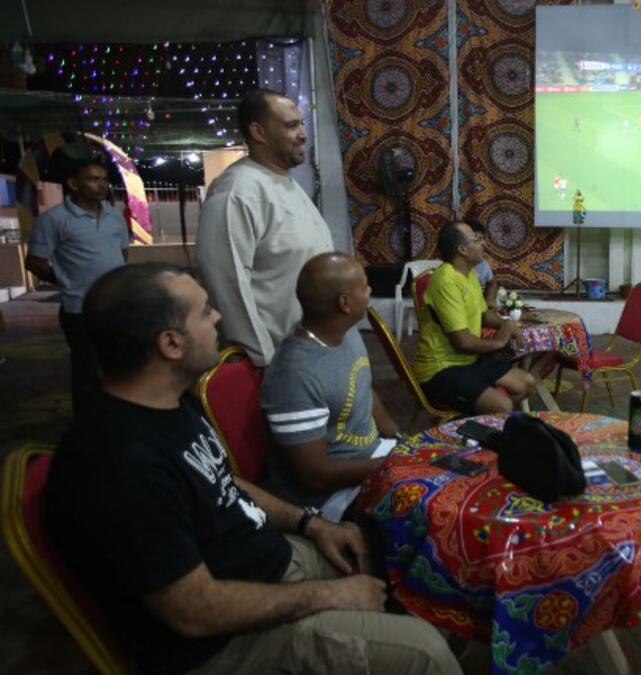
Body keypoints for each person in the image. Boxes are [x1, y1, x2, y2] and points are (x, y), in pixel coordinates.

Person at [46, 263, 461, 675]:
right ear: (171, 343)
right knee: (425, 651)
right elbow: (194, 611)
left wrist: (311, 525)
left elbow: (225, 483)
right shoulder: (119, 463)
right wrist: (327, 595)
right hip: (228, 642)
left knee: (411, 564)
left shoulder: (169, 401)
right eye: (205, 311)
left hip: (266, 561)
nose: (218, 318)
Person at [196, 89, 335, 367]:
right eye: (291, 125)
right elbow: (228, 285)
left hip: (311, 351)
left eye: (301, 124)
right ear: (258, 132)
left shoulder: (288, 184)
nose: (303, 134)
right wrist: (262, 362)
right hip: (278, 359)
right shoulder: (237, 191)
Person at [260, 253, 401, 522]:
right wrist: (392, 466)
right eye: (364, 286)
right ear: (344, 303)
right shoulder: (295, 375)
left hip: (373, 458)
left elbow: (362, 389)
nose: (370, 290)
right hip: (332, 497)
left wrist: (399, 439)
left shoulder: (345, 332)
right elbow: (314, 476)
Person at [26, 155, 129, 413]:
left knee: (120, 364)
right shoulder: (54, 220)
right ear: (73, 183)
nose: (102, 185)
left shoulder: (115, 216)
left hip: (116, 306)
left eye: (104, 180)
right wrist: (67, 280)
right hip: (79, 308)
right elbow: (35, 262)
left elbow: (122, 252)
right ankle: (88, 424)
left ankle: (119, 417)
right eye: (93, 179)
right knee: (88, 370)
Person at [413, 222, 534, 414]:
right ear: (462, 249)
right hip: (440, 369)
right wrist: (501, 340)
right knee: (502, 406)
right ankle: (474, 427)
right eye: (477, 240)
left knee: (526, 383)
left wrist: (508, 325)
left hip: (468, 361)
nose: (483, 243)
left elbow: (484, 316)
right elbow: (463, 342)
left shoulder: (469, 275)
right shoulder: (446, 281)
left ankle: (472, 421)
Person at [464, 219, 499, 309]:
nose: (484, 244)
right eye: (477, 239)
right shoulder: (449, 277)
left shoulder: (482, 264)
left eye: (483, 239)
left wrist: (490, 299)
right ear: (461, 246)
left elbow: (492, 281)